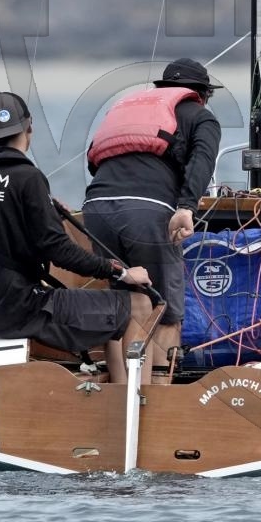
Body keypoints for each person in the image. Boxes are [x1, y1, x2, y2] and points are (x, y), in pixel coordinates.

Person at [0, 91, 152, 385]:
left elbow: (3, 232)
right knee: (138, 304)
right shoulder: (28, 178)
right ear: (29, 127)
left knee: (112, 307)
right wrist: (120, 271)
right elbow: (59, 250)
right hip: (25, 308)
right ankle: (144, 400)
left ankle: (120, 389)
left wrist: (48, 213)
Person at [81, 57, 223, 381]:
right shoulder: (201, 116)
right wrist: (186, 207)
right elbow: (201, 162)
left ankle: (122, 391)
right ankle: (157, 395)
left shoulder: (129, 110)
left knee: (124, 303)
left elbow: (94, 161)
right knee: (165, 309)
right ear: (202, 94)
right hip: (146, 213)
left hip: (97, 208)